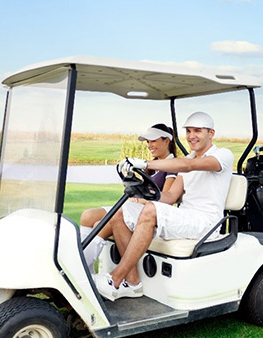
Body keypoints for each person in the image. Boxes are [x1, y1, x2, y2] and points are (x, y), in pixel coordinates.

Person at [94, 112, 234, 301]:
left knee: (151, 211)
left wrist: (145, 163)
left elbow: (189, 165)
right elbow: (169, 197)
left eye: (198, 131)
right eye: (189, 131)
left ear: (211, 133)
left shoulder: (222, 155)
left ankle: (114, 279)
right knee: (120, 211)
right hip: (185, 217)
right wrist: (144, 195)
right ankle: (132, 283)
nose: (192, 136)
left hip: (207, 222)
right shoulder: (188, 158)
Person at [80, 123, 178, 273]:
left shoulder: (172, 166)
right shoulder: (151, 166)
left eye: (153, 141)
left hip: (149, 213)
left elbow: (165, 200)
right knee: (88, 216)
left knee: (101, 223)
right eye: (148, 142)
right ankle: (85, 268)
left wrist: (140, 200)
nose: (149, 145)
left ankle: (80, 269)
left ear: (166, 141)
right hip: (134, 208)